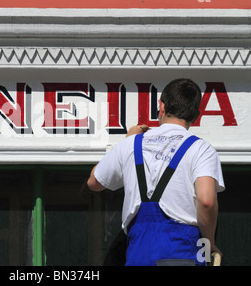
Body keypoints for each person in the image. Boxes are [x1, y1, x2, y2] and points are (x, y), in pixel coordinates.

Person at [87, 78, 225, 266]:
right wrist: (209, 243)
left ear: (161, 106)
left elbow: (94, 182)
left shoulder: (131, 144)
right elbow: (207, 201)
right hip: (182, 251)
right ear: (196, 115)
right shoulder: (202, 149)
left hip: (139, 251)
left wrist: (127, 141)